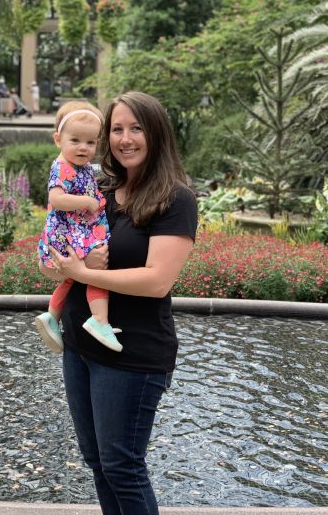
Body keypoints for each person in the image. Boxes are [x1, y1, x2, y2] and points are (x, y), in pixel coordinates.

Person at [38, 91, 197, 515]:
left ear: (156, 134)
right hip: (80, 346)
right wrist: (59, 265)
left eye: (136, 128)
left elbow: (156, 282)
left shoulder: (175, 199)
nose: (125, 139)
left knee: (123, 467)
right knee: (98, 463)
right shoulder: (100, 188)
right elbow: (60, 253)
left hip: (131, 353)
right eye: (117, 129)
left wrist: (83, 273)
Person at [34, 101, 122, 353]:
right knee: (98, 271)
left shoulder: (79, 166)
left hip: (75, 231)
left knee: (74, 277)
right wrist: (86, 201)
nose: (83, 148)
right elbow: (56, 199)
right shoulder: (62, 167)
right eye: (75, 141)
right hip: (71, 233)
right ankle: (100, 320)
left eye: (90, 142)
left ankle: (53, 315)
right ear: (58, 139)